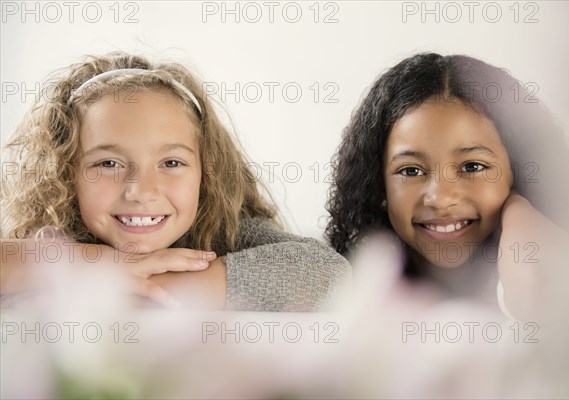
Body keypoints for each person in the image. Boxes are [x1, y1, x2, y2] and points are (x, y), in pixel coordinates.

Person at [1, 52, 351, 311]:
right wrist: (96, 263)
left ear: (206, 173)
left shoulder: (222, 231)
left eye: (171, 162)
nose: (141, 191)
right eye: (108, 163)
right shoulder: (51, 232)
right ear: (65, 172)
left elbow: (330, 275)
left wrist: (117, 290)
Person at [326, 52, 569, 321]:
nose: (441, 199)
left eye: (472, 167)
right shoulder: (350, 290)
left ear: (518, 171)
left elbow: (539, 302)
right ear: (378, 184)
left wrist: (518, 211)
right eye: (411, 170)